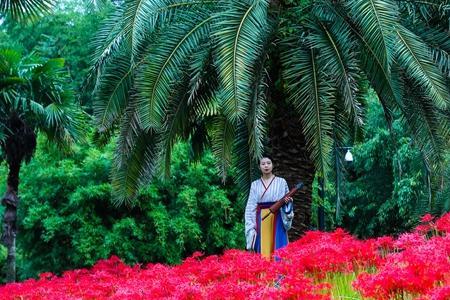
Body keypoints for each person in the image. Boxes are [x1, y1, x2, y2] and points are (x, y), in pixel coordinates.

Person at [245, 156, 294, 259]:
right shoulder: (255, 184)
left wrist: (286, 203)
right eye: (263, 164)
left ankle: (279, 275)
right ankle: (264, 274)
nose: (266, 166)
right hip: (261, 220)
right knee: (262, 250)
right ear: (259, 167)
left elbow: (288, 202)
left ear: (273, 165)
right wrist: (251, 227)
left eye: (268, 163)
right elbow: (250, 207)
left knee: (279, 248)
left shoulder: (281, 182)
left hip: (278, 218)